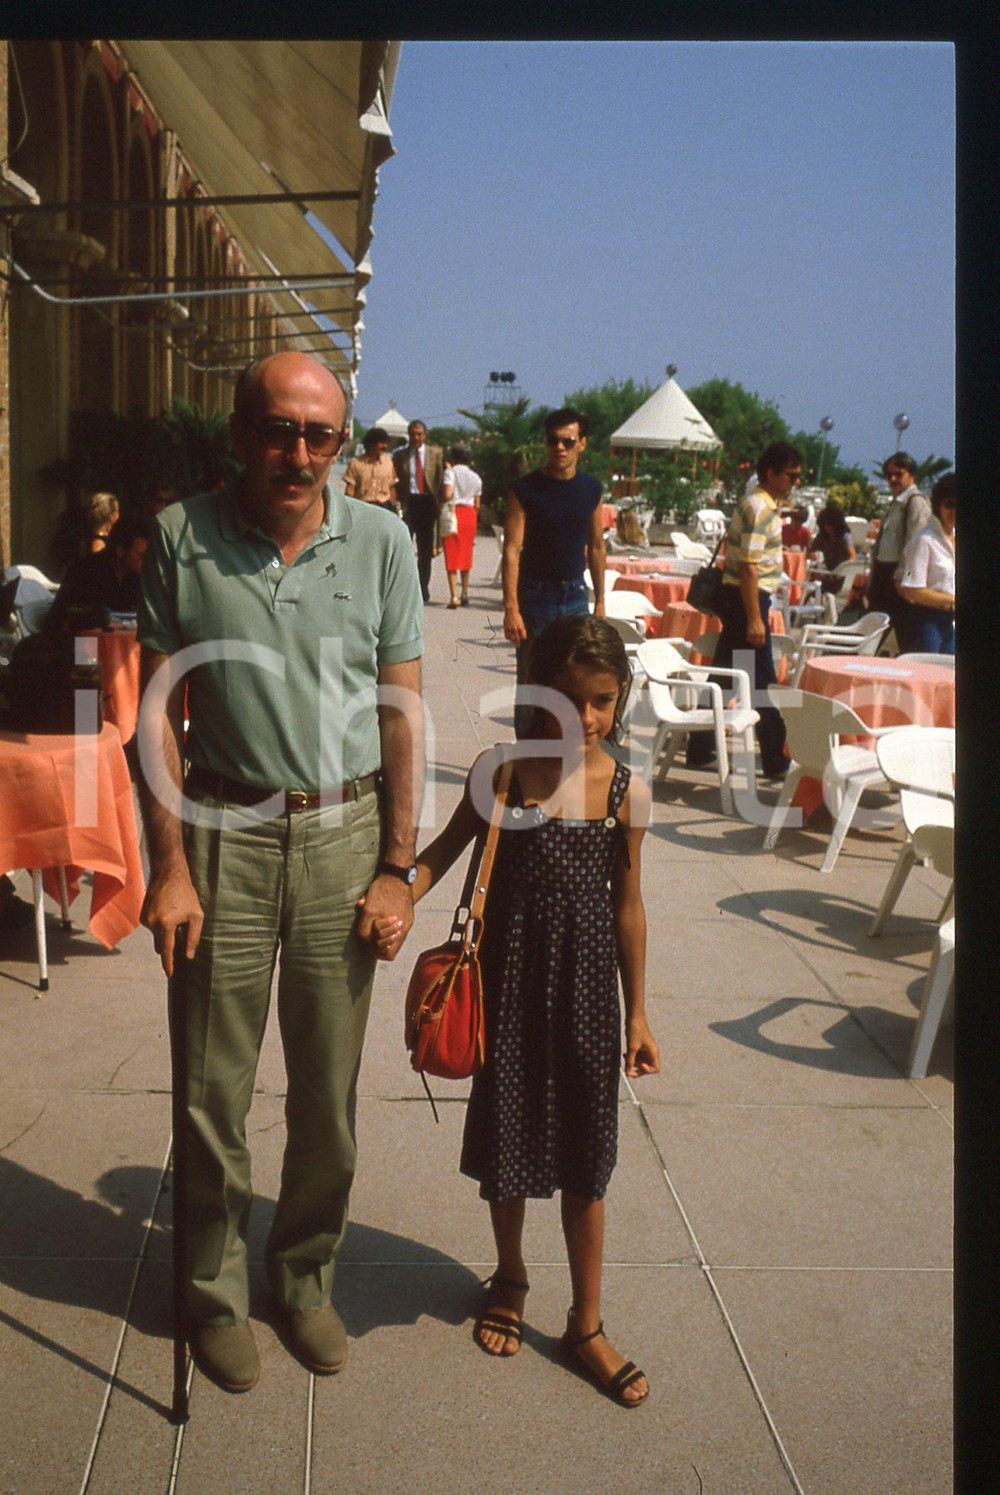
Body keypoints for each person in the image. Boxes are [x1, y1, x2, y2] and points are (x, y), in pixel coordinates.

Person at [136, 351, 424, 1395]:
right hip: (219, 834)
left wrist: (398, 864)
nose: (297, 454)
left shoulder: (383, 539)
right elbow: (154, 717)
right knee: (212, 1093)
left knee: (327, 1095)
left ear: (341, 445)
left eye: (319, 436)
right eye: (277, 430)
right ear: (239, 433)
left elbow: (399, 712)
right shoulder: (180, 537)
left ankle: (301, 1277)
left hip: (343, 838)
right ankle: (211, 1294)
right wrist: (166, 866)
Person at [376, 615, 658, 1406]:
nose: (585, 718)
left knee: (585, 1157)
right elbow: (440, 857)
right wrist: (394, 896)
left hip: (586, 1001)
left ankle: (588, 1320)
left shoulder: (625, 789)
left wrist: (638, 1013)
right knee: (508, 1134)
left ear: (620, 697)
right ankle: (509, 1273)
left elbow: (629, 907)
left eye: (601, 701)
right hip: (508, 988)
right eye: (567, 700)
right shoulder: (501, 774)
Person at [686, 441, 798, 780]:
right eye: (790, 476)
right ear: (771, 473)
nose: (795, 482)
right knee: (761, 678)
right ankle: (777, 758)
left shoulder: (759, 505)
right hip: (747, 600)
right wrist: (754, 617)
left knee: (724, 675)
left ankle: (699, 746)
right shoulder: (761, 508)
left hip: (741, 599)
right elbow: (749, 567)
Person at [502, 407, 607, 735]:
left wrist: (601, 600)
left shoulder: (591, 490)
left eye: (567, 441)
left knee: (576, 677)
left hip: (575, 594)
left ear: (582, 444)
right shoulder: (526, 489)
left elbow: (598, 547)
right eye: (553, 441)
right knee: (533, 679)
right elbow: (511, 550)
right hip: (535, 597)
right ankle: (528, 759)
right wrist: (511, 608)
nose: (559, 448)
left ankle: (566, 749)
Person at [44, 513, 150, 633]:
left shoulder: (134, 577)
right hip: (77, 641)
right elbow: (67, 617)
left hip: (115, 643)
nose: (146, 561)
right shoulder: (87, 571)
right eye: (141, 555)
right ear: (120, 551)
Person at [866, 452, 931, 648]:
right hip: (884, 577)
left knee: (906, 639)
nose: (893, 479)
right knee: (872, 637)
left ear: (911, 475)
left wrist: (905, 580)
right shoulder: (896, 504)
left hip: (899, 581)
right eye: (889, 475)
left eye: (898, 474)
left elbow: (916, 546)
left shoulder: (916, 503)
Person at [895, 473, 955, 654]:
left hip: (949, 623)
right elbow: (911, 589)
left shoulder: (955, 539)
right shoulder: (922, 541)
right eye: (950, 505)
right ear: (938, 505)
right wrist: (952, 601)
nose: (954, 511)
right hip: (925, 623)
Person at [393, 419, 445, 603]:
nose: (416, 437)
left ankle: (423, 589)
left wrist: (440, 502)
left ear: (425, 435)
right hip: (409, 503)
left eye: (419, 434)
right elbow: (397, 481)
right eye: (413, 434)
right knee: (404, 547)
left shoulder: (436, 453)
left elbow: (440, 478)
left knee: (425, 551)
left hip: (428, 503)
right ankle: (404, 587)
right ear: (409, 435)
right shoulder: (400, 456)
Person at [440, 442, 482, 607]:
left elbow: (448, 493)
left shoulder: (450, 473)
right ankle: (464, 593)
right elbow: (478, 504)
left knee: (451, 554)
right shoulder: (476, 477)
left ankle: (454, 596)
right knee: (466, 555)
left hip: (454, 513)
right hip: (470, 515)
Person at [343, 426, 399, 513]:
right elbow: (350, 489)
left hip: (384, 508)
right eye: (381, 443)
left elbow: (392, 487)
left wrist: (393, 506)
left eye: (385, 443)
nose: (385, 446)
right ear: (371, 443)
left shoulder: (388, 463)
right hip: (362, 508)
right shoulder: (355, 463)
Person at [810, 502, 857, 594]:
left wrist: (843, 570)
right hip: (826, 574)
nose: (827, 528)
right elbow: (811, 551)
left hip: (840, 576)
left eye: (830, 525)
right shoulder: (822, 536)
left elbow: (853, 556)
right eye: (825, 525)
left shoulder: (845, 536)